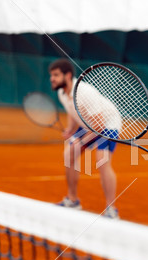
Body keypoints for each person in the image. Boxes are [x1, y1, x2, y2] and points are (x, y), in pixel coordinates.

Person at [49, 59, 119, 219]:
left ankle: (111, 209)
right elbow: (73, 113)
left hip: (108, 123)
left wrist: (81, 141)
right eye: (51, 75)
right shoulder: (62, 93)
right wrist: (70, 130)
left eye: (56, 75)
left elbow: (100, 124)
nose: (52, 79)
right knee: (69, 154)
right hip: (89, 124)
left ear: (67, 75)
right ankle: (73, 200)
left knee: (102, 161)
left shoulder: (83, 92)